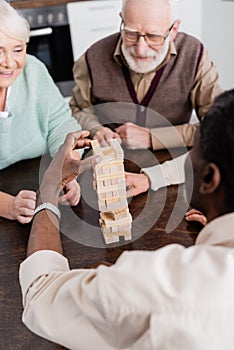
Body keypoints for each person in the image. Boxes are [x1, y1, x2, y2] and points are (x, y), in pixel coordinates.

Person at [20, 89, 234, 349]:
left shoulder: (158, 287)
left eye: (191, 154)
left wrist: (49, 186)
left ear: (210, 179)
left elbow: (42, 295)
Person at [70, 0, 223, 150]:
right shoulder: (92, 57)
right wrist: (96, 130)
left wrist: (153, 138)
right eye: (131, 34)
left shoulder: (194, 55)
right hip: (112, 162)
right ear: (122, 21)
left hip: (172, 166)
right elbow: (78, 109)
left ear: (174, 30)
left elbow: (217, 124)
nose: (140, 50)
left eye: (153, 36)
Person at [0, 0, 82, 224]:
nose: (9, 62)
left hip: (36, 177)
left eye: (18, 49)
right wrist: (7, 205)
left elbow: (61, 125)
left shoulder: (33, 69)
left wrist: (67, 167)